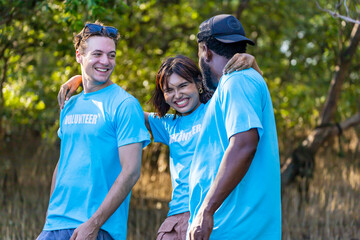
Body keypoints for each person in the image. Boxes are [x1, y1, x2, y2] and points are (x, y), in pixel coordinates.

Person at [58, 53, 261, 240]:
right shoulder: (167, 124)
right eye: (169, 90)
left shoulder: (214, 109)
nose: (177, 95)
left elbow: (252, 97)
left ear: (198, 82)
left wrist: (252, 65)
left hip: (211, 215)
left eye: (183, 86)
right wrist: (86, 80)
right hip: (174, 221)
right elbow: (125, 106)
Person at [37, 21, 150, 240]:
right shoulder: (69, 104)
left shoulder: (124, 104)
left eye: (112, 55)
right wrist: (50, 218)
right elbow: (63, 163)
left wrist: (93, 224)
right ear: (79, 55)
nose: (105, 62)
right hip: (55, 225)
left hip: (97, 228)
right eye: (97, 54)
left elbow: (131, 172)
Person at [187, 14, 281, 240]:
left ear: (205, 50)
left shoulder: (237, 81)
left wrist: (206, 211)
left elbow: (244, 145)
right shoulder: (244, 80)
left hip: (233, 229)